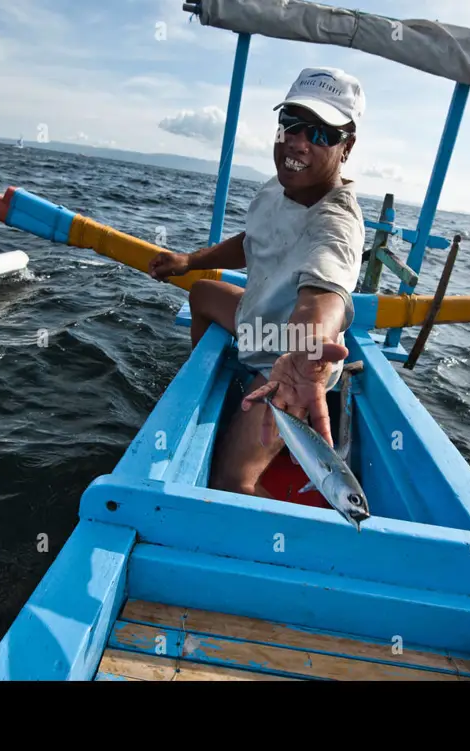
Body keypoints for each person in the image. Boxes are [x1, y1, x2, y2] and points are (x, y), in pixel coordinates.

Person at [148, 67, 366, 497]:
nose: (298, 142)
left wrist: (305, 352)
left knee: (230, 481)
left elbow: (324, 296)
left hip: (287, 363)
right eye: (292, 124)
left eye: (321, 134)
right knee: (202, 292)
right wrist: (190, 260)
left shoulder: (336, 222)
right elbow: (252, 240)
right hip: (256, 320)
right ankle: (215, 382)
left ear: (347, 147)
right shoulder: (277, 186)